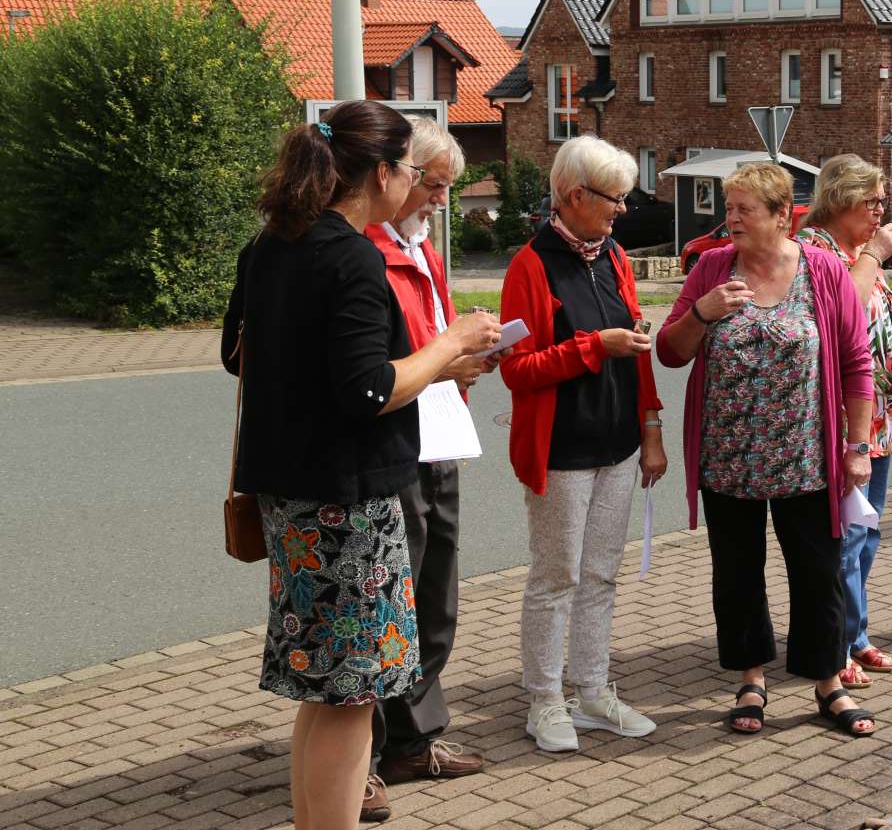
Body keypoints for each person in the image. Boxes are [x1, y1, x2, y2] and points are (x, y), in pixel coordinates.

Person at [223, 100, 501, 830]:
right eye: (410, 170)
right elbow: (368, 390)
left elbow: (237, 355)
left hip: (288, 492)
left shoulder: (272, 245)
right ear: (378, 173)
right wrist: (447, 346)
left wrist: (431, 368)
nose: (415, 184)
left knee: (324, 693)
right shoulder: (349, 254)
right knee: (351, 699)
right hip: (346, 503)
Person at [657, 161, 878, 738]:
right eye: (727, 208)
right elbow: (670, 352)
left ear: (784, 216)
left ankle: (827, 682)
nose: (730, 219)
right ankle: (751, 679)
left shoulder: (825, 272)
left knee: (818, 572)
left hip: (807, 458)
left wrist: (858, 446)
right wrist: (703, 314)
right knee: (737, 574)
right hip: (728, 458)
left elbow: (858, 364)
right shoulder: (710, 268)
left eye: (743, 209)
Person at [500, 135, 668, 754]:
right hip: (561, 450)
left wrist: (651, 431)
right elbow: (515, 369)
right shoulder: (531, 265)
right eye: (614, 199)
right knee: (556, 577)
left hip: (619, 445)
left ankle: (593, 691)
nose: (622, 210)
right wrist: (594, 347)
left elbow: (639, 352)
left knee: (601, 574)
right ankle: (545, 700)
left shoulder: (614, 255)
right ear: (575, 196)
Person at [359, 118, 493, 821]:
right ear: (400, 174)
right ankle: (363, 758)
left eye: (446, 186)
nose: (440, 198)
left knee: (435, 590)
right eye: (433, 183)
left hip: (440, 428)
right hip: (392, 442)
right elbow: (382, 362)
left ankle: (413, 738)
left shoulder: (422, 247)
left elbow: (431, 340)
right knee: (390, 602)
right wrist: (445, 351)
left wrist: (464, 360)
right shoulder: (364, 251)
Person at [796, 154, 892, 691]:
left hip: (880, 420)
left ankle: (854, 634)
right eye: (871, 201)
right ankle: (835, 644)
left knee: (865, 537)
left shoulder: (853, 251)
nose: (879, 211)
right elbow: (844, 308)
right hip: (842, 423)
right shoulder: (816, 250)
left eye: (881, 202)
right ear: (840, 199)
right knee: (844, 539)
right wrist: (874, 254)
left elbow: (875, 315)